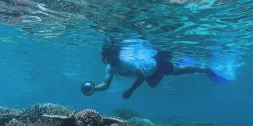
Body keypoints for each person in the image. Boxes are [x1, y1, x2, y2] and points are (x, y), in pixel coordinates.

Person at [94, 38, 226, 99]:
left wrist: (130, 91)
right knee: (152, 85)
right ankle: (162, 72)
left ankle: (205, 69)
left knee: (180, 71)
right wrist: (94, 88)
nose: (108, 61)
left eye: (110, 57)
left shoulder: (126, 62)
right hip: (150, 71)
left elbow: (141, 77)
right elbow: (106, 84)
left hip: (155, 64)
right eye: (106, 58)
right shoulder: (110, 68)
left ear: (115, 55)